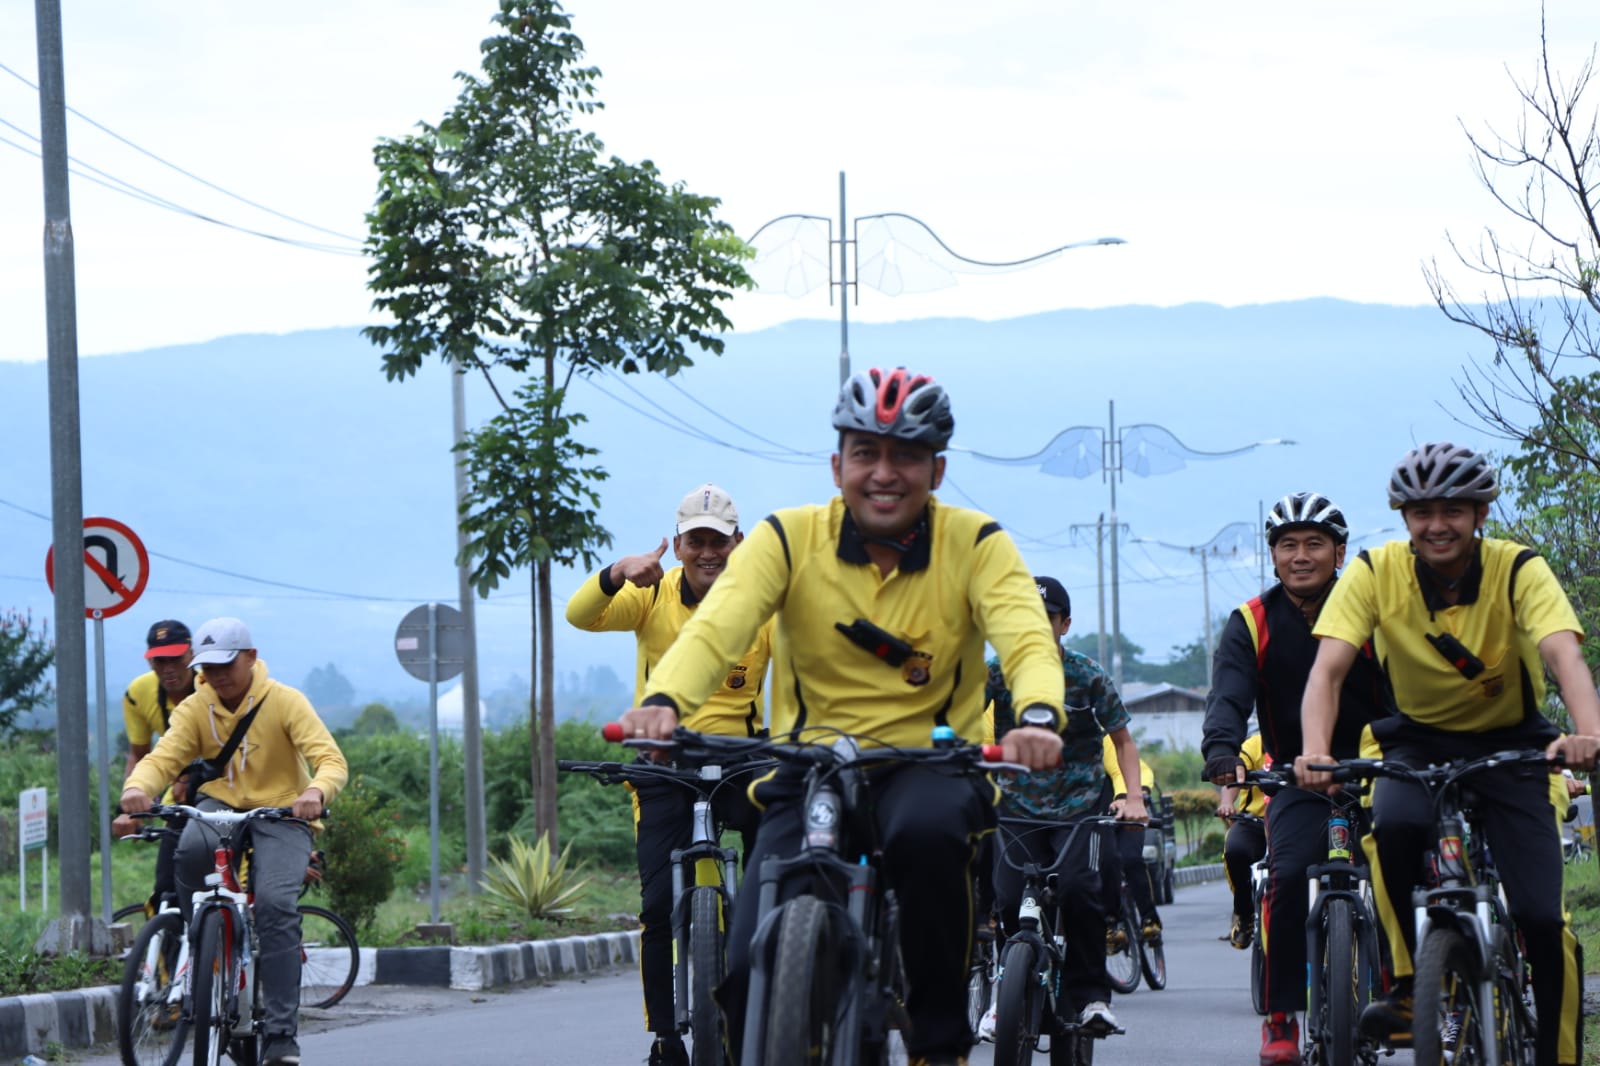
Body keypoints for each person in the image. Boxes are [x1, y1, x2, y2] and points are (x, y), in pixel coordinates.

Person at [618, 366, 1066, 1066]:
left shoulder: (976, 545)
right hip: (809, 763)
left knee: (927, 839)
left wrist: (1037, 715)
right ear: (837, 465)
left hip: (931, 760)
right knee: (739, 972)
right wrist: (662, 701)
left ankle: (937, 1045)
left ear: (937, 470)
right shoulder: (787, 539)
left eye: (906, 455)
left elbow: (1026, 638)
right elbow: (717, 629)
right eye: (866, 453)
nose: (884, 473)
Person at [1294, 444, 1600, 1066]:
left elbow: (1562, 652)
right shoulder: (1374, 572)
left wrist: (1587, 734)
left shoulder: (1518, 569)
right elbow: (1327, 672)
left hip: (1513, 745)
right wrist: (1316, 752)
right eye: (1423, 511)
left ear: (1481, 512)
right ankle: (1411, 985)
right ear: (1404, 517)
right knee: (1393, 827)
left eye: (1454, 510)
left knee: (1544, 920)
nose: (1438, 524)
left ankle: (1559, 1055)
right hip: (1417, 738)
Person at [565, 482, 775, 1066]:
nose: (708, 552)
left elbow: (810, 660)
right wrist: (615, 574)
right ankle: (664, 1035)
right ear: (679, 545)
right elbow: (581, 615)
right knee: (657, 906)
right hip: (661, 759)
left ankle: (761, 994)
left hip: (741, 757)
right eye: (696, 541)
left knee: (772, 873)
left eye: (719, 541)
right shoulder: (651, 596)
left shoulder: (760, 604)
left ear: (738, 543)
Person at [1202, 491, 1391, 1066]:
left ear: (1340, 553)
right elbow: (1228, 697)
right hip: (1292, 778)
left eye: (1315, 544)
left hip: (1379, 768)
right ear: (1273, 555)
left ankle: (1399, 986)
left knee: (1405, 861)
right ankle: (1282, 1016)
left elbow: (1402, 689)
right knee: (1283, 876)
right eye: (1288, 545)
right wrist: (1222, 750)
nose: (1300, 556)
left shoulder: (1371, 615)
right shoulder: (1251, 623)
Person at [120, 617, 348, 1066]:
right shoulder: (196, 706)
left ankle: (281, 1034)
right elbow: (163, 758)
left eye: (226, 664)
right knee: (187, 852)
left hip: (280, 812)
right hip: (220, 807)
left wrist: (314, 793)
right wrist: (136, 788)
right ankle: (200, 942)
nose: (218, 675)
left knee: (275, 906)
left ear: (250, 657)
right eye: (208, 666)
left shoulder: (284, 701)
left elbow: (330, 759)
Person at [978, 576, 1145, 1040]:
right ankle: (1003, 997)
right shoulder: (997, 673)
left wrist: (1132, 797)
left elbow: (1123, 741)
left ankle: (1092, 996)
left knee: (1078, 889)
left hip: (1078, 809)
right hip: (1016, 805)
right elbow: (961, 715)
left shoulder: (1088, 675)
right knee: (1008, 900)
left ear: (1064, 624)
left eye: (1046, 618)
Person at [115, 619, 198, 909]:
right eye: (158, 661)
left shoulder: (213, 685)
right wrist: (130, 806)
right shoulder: (139, 693)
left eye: (175, 659)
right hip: (176, 794)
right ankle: (164, 949)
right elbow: (139, 754)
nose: (168, 668)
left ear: (193, 655)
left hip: (225, 788)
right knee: (166, 887)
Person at [1101, 733, 1163, 944]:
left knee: (1130, 859)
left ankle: (1149, 918)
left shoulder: (1106, 739)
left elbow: (1140, 770)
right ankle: (1110, 922)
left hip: (1127, 814)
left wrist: (1137, 795)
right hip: (1094, 821)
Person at [1216, 732, 1268, 949]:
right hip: (1256, 822)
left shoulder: (1312, 737)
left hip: (1296, 820)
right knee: (1235, 850)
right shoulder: (1254, 744)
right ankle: (1245, 915)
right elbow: (1235, 776)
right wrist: (1227, 802)